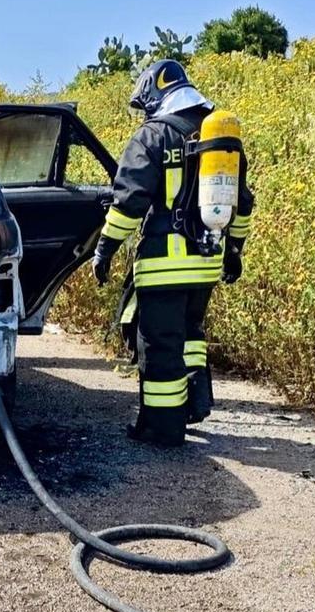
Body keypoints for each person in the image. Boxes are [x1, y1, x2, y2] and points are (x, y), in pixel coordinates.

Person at [91, 59, 254, 446]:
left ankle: (162, 429)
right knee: (190, 333)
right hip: (206, 260)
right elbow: (242, 202)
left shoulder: (153, 136)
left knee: (160, 343)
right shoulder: (220, 138)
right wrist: (234, 250)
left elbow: (129, 202)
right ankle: (194, 402)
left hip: (165, 263)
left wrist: (105, 249)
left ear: (153, 93)